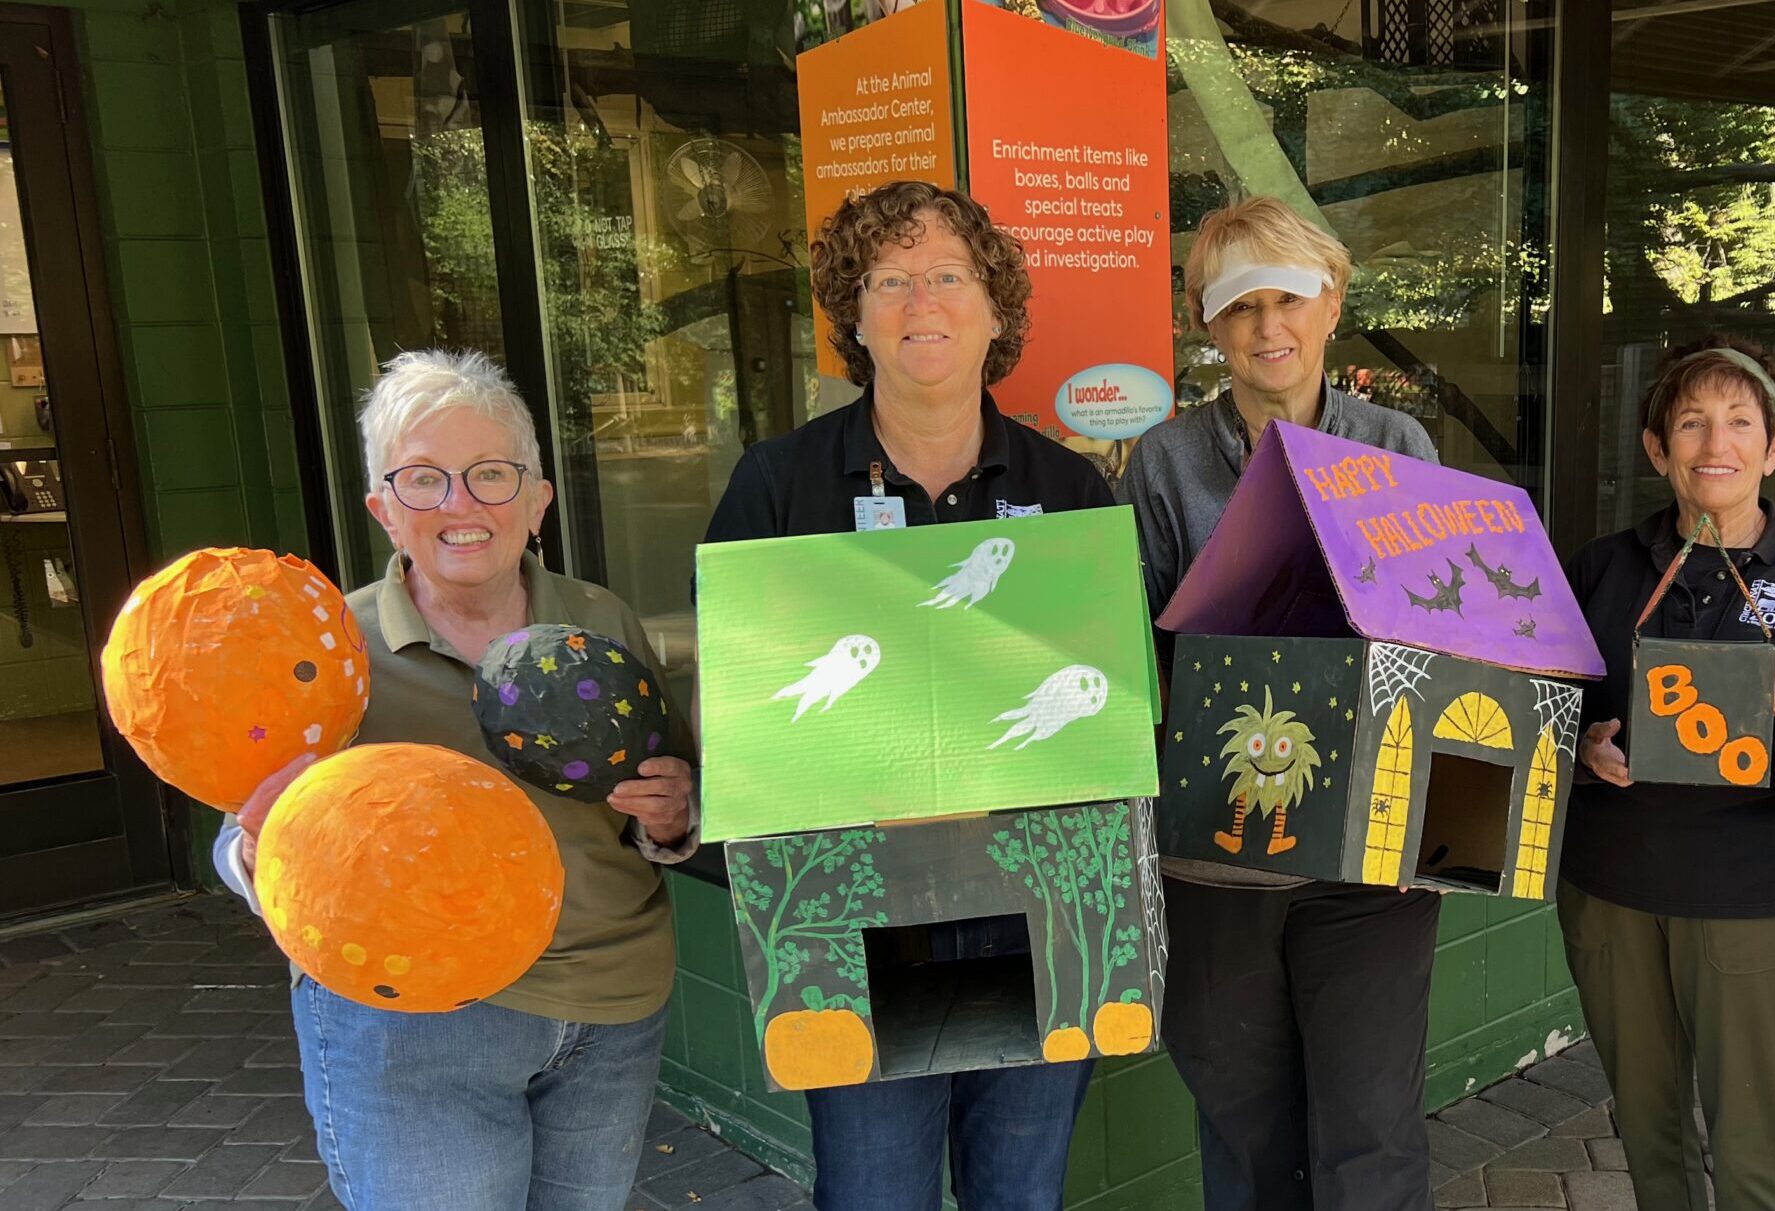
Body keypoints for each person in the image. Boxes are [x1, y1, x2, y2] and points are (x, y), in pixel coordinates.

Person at [703, 179, 1113, 1211]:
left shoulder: (1070, 493)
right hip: (856, 917)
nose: (919, 302)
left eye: (945, 276)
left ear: (996, 308)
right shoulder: (779, 484)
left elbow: (1112, 708)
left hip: (1030, 904)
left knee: (1018, 1193)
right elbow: (742, 702)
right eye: (888, 279)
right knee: (874, 1191)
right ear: (853, 313)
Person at [213, 349, 700, 1211]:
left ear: (538, 499)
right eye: (424, 480)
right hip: (416, 1025)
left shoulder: (602, 620)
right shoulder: (327, 651)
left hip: (611, 1004)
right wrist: (262, 845)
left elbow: (666, 798)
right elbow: (241, 843)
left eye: (490, 474)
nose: (461, 504)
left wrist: (667, 816)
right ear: (383, 511)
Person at [1117, 196, 1441, 1211]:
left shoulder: (1398, 445)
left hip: (1370, 846)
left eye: (1289, 298)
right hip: (1221, 849)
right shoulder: (1164, 464)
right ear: (1206, 325)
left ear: (1331, 303)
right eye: (1241, 304)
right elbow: (1139, 661)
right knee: (1245, 1121)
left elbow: (1448, 641)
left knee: (1371, 1127)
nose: (1269, 326)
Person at [1560, 335, 1775, 1211]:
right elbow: (1549, 721)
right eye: (1691, 423)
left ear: (1773, 447)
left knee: (1751, 1146)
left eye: (1740, 422)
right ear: (1658, 449)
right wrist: (1587, 750)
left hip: (1753, 904)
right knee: (1648, 1130)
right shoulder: (1601, 569)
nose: (1716, 444)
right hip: (1613, 889)